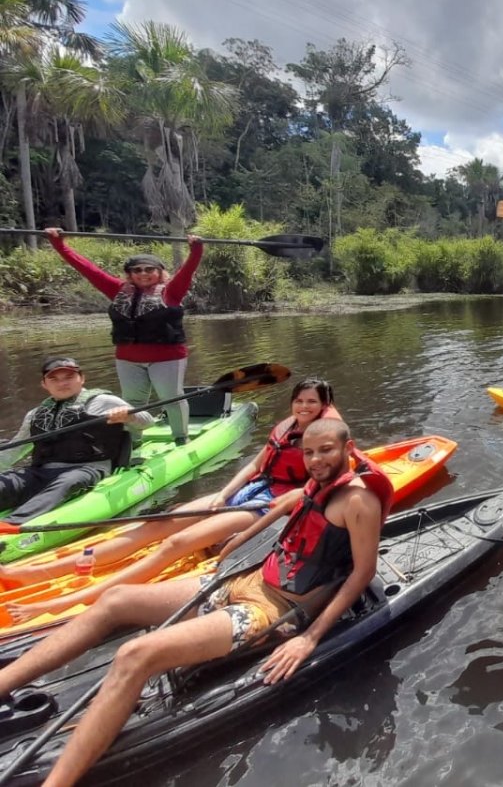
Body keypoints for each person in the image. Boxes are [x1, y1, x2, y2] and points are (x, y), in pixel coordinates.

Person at [0, 418, 389, 786]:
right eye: (309, 453)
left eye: (325, 451)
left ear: (347, 448)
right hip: (242, 583)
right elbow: (285, 507)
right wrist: (233, 546)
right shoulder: (312, 487)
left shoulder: (359, 503)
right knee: (115, 599)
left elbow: (361, 573)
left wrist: (309, 638)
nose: (316, 460)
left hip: (271, 611)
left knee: (136, 655)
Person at [0, 379, 342, 621]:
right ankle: (36, 571)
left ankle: (71, 601)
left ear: (325, 406)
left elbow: (310, 492)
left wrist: (244, 536)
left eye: (312, 402)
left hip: (273, 505)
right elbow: (256, 464)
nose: (304, 407)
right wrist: (222, 494)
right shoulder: (288, 425)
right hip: (249, 492)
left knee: (177, 542)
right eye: (300, 401)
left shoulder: (328, 437)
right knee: (158, 523)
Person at [46, 227, 204, 445]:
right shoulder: (117, 290)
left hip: (167, 357)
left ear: (159, 272)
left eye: (150, 269)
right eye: (136, 270)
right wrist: (59, 245)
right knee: (132, 402)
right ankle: (134, 442)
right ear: (129, 274)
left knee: (171, 398)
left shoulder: (172, 291)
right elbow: (86, 268)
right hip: (128, 359)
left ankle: (180, 438)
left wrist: (196, 249)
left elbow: (188, 270)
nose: (143, 273)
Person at [0, 357, 155, 525]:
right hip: (40, 472)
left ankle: (10, 525)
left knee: (67, 482)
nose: (62, 383)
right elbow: (15, 450)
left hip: (87, 469)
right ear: (44, 384)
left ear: (82, 378)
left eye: (69, 377)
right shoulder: (35, 414)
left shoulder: (104, 401)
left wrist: (129, 415)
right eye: (54, 379)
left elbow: (147, 421)